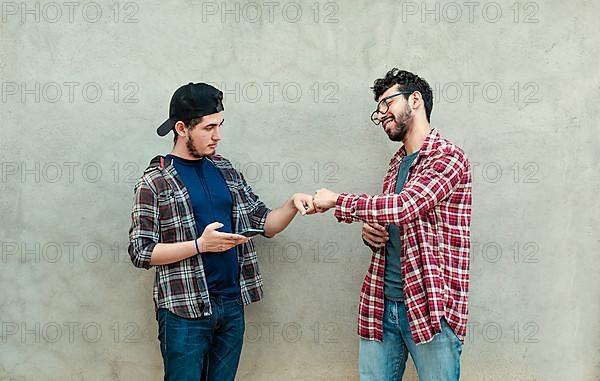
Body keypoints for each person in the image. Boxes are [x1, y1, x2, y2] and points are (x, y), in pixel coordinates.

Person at [128, 82, 315, 381]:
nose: (218, 135)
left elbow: (264, 223)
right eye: (209, 127)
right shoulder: (155, 181)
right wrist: (201, 245)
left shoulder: (225, 169)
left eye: (220, 125)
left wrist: (292, 204)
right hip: (183, 310)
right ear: (182, 128)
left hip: (230, 305)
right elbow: (141, 252)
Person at [313, 69, 472, 381]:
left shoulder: (448, 157)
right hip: (382, 303)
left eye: (386, 104)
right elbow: (394, 219)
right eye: (378, 109)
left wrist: (337, 200)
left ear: (415, 100)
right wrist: (371, 233)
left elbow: (406, 206)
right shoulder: (397, 164)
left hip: (431, 307)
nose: (381, 114)